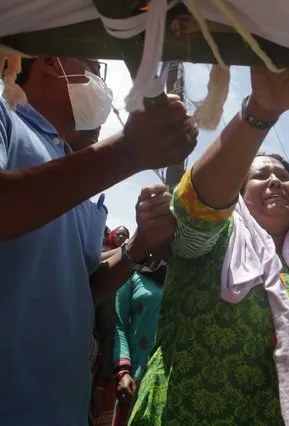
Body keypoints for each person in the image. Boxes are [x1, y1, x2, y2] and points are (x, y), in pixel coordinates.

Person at [0, 55, 196, 425]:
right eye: (92, 65)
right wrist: (128, 151)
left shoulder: (66, 164)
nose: (99, 82)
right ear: (48, 60)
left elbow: (82, 288)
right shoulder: (5, 120)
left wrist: (140, 244)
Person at [129, 67, 289, 425]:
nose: (274, 181)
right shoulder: (214, 236)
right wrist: (260, 113)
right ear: (236, 193)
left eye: (283, 177)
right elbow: (195, 210)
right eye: (259, 175)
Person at [112, 265, 166, 426]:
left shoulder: (184, 274)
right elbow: (118, 324)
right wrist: (123, 371)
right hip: (136, 375)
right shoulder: (132, 273)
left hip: (167, 374)